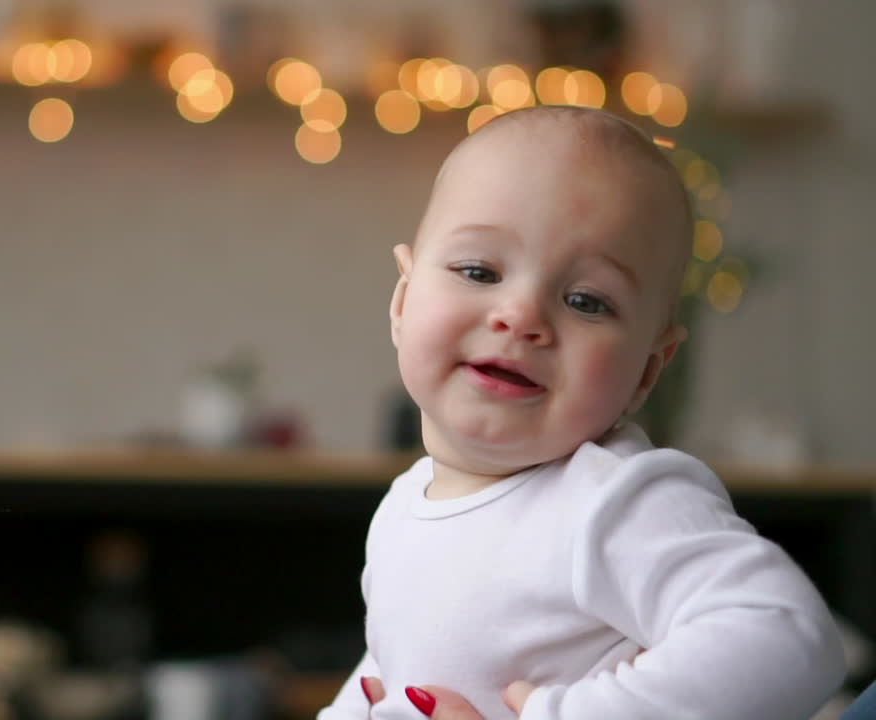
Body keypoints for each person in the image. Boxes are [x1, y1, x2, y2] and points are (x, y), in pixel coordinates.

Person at [317, 105, 844, 720]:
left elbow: (786, 637)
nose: (521, 316)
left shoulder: (614, 496)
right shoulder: (405, 508)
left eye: (587, 301)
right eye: (479, 270)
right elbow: (395, 668)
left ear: (649, 368)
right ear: (404, 301)